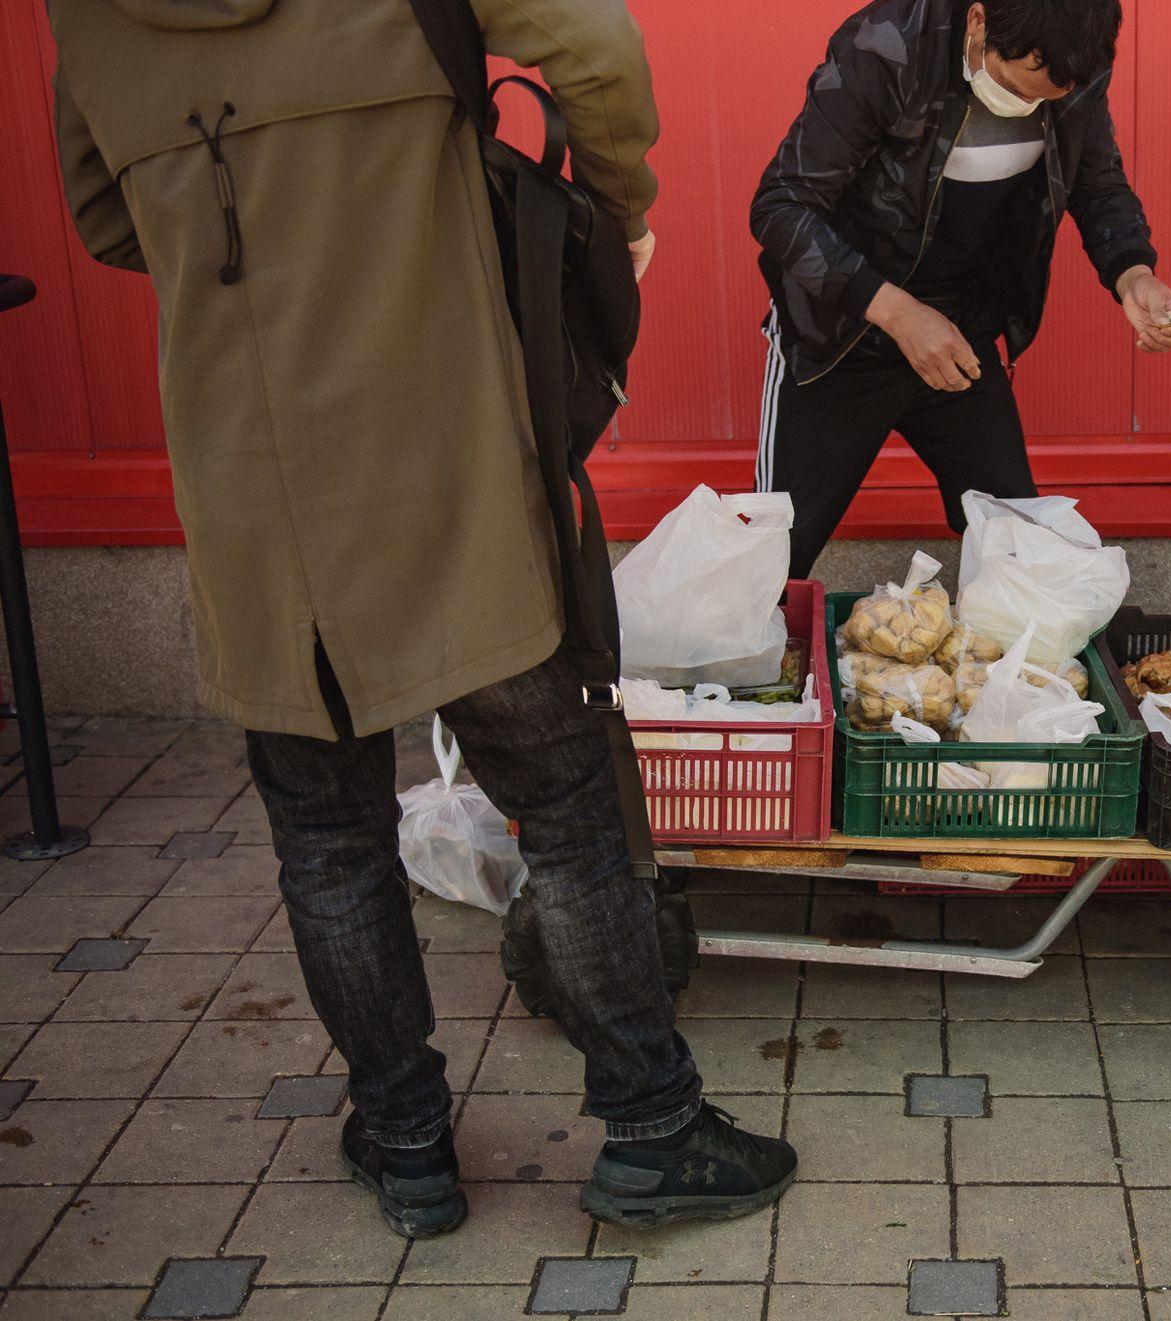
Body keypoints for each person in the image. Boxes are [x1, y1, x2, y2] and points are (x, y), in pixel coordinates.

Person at [45, 0, 795, 1238]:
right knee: (567, 800)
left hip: (251, 488)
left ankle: (405, 1143)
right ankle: (654, 1130)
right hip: (440, 452)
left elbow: (104, 215)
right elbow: (596, 51)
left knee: (326, 833)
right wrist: (613, 203)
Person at [751, 0, 1171, 578]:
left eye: (1047, 97)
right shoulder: (887, 48)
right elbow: (782, 206)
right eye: (1017, 85)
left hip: (963, 326)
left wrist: (1133, 272)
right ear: (979, 22)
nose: (1029, 106)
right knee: (771, 561)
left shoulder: (1074, 51)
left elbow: (1097, 182)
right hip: (841, 333)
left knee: (1019, 549)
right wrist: (900, 314)